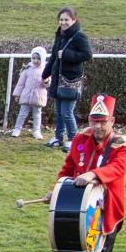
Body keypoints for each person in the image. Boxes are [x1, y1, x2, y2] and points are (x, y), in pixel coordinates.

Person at [56, 93, 126, 252]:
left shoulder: (122, 144)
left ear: (112, 120)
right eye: (94, 121)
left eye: (103, 121)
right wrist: (58, 188)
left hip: (106, 212)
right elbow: (69, 167)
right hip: (80, 210)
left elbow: (117, 168)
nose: (98, 126)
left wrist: (93, 174)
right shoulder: (80, 138)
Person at [42, 8, 92, 150]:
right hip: (58, 79)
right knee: (58, 112)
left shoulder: (79, 36)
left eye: (66, 20)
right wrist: (45, 75)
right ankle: (58, 137)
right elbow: (54, 56)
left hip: (70, 80)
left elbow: (87, 55)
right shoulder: (60, 36)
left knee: (67, 112)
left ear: (73, 20)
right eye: (61, 19)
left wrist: (67, 54)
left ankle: (73, 139)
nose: (63, 22)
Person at [9, 47, 48, 140]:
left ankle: (36, 131)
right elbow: (21, 83)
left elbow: (48, 83)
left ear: (42, 58)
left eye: (38, 58)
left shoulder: (46, 69)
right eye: (34, 58)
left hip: (38, 96)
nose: (36, 60)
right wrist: (17, 94)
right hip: (26, 95)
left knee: (37, 114)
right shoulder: (27, 69)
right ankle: (17, 129)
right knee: (22, 113)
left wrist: (46, 81)